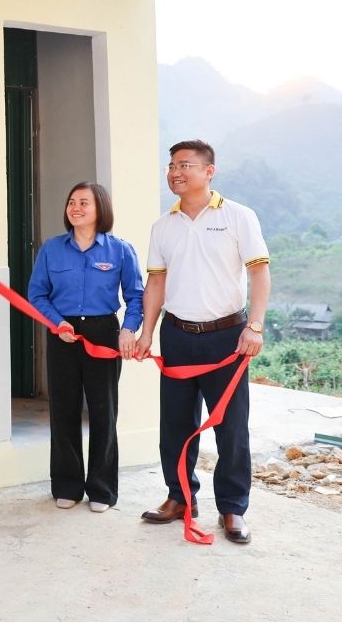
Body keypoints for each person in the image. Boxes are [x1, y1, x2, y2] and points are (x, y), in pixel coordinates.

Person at [135, 139, 270, 544]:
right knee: (175, 425)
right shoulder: (164, 225)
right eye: (172, 165)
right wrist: (146, 333)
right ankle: (179, 498)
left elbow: (259, 274)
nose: (175, 172)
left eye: (185, 165)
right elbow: (155, 282)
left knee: (231, 428)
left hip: (227, 337)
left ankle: (232, 508)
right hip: (177, 335)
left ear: (209, 171)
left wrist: (255, 327)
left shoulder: (237, 217)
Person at [27, 182, 143, 513]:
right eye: (71, 202)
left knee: (103, 411)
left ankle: (102, 490)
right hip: (62, 333)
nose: (75, 207)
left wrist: (129, 330)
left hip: (103, 333)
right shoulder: (52, 249)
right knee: (63, 409)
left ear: (100, 209)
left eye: (84, 202)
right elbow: (37, 294)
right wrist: (56, 323)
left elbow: (136, 295)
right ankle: (67, 485)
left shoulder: (120, 250)